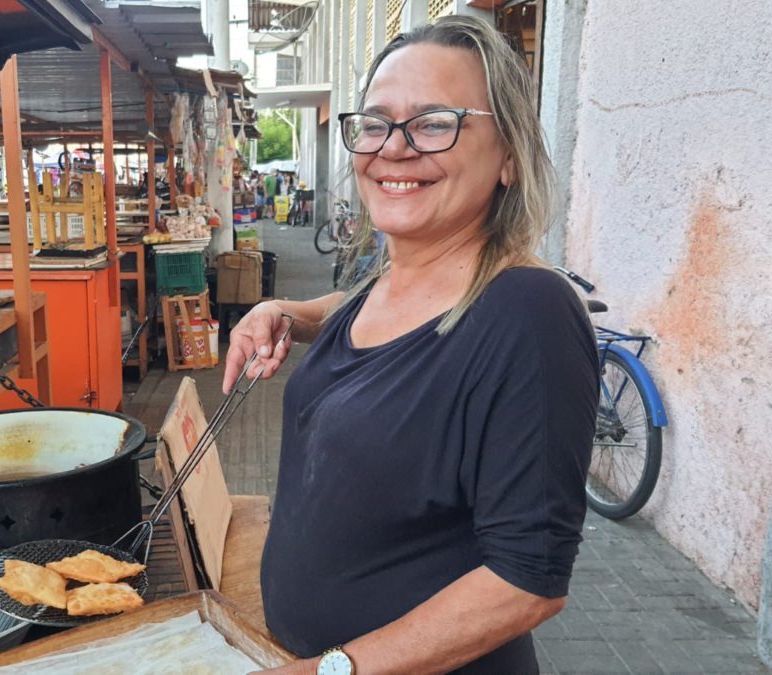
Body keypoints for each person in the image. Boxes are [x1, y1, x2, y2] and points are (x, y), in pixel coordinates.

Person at [223, 16, 598, 674]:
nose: (393, 148)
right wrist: (285, 310)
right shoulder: (392, 277)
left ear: (508, 153)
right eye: (375, 123)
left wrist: (332, 668)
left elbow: (527, 580)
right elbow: (381, 317)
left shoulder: (530, 313)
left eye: (434, 123)